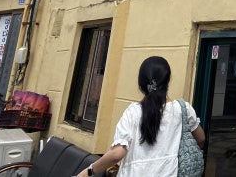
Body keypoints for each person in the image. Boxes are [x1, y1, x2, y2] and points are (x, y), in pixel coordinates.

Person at [76, 56, 206, 177]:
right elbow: (201, 139)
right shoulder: (183, 109)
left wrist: (89, 171)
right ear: (168, 80)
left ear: (141, 85)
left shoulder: (133, 112)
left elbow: (117, 154)